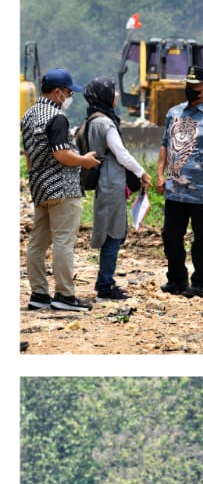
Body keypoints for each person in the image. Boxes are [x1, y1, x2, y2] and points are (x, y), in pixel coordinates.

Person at [22, 67, 101, 314]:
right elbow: (61, 154)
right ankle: (65, 295)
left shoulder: (29, 114)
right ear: (57, 92)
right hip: (63, 188)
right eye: (67, 92)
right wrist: (84, 160)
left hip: (40, 187)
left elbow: (29, 156)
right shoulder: (56, 117)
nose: (69, 97)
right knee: (63, 242)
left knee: (37, 243)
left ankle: (39, 294)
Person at [156, 66, 203, 298]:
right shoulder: (174, 113)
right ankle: (177, 279)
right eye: (188, 86)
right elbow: (165, 144)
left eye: (195, 87)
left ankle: (200, 283)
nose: (190, 90)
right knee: (170, 236)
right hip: (175, 189)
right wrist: (160, 173)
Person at [79, 75, 148, 303]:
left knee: (113, 231)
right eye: (113, 91)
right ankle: (105, 285)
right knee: (113, 233)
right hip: (111, 182)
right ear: (105, 96)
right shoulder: (104, 123)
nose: (117, 95)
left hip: (108, 181)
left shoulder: (94, 119)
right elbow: (121, 153)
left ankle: (104, 281)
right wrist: (142, 173)